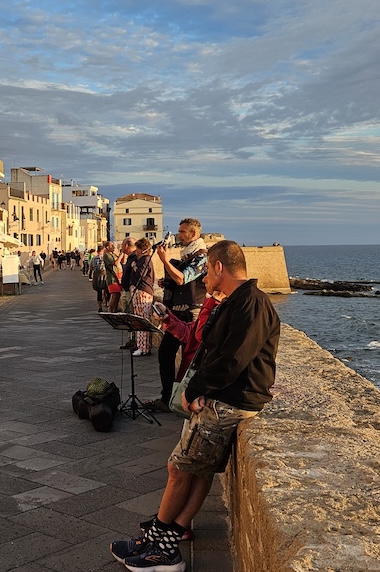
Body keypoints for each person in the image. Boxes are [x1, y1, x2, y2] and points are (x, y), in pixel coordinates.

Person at [110, 240, 279, 571]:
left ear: (219, 267)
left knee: (179, 468)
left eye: (207, 272)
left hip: (231, 401)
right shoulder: (234, 302)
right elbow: (212, 348)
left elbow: (232, 359)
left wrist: (197, 389)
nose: (203, 280)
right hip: (224, 396)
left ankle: (163, 545)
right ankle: (164, 538)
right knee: (197, 469)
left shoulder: (251, 305)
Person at [146, 218, 208, 413]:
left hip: (191, 314)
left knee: (189, 360)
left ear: (193, 234)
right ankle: (168, 398)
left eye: (182, 232)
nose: (178, 235)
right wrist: (167, 282)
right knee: (165, 355)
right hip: (177, 313)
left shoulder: (201, 257)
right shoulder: (186, 255)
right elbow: (177, 279)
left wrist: (164, 259)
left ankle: (184, 400)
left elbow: (183, 278)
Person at [124, 238, 157, 357]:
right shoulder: (145, 259)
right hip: (143, 291)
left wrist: (134, 266)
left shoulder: (145, 259)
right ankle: (143, 346)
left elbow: (140, 274)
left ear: (142, 249)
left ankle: (142, 347)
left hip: (142, 292)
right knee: (143, 319)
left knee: (141, 320)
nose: (136, 250)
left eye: (138, 248)